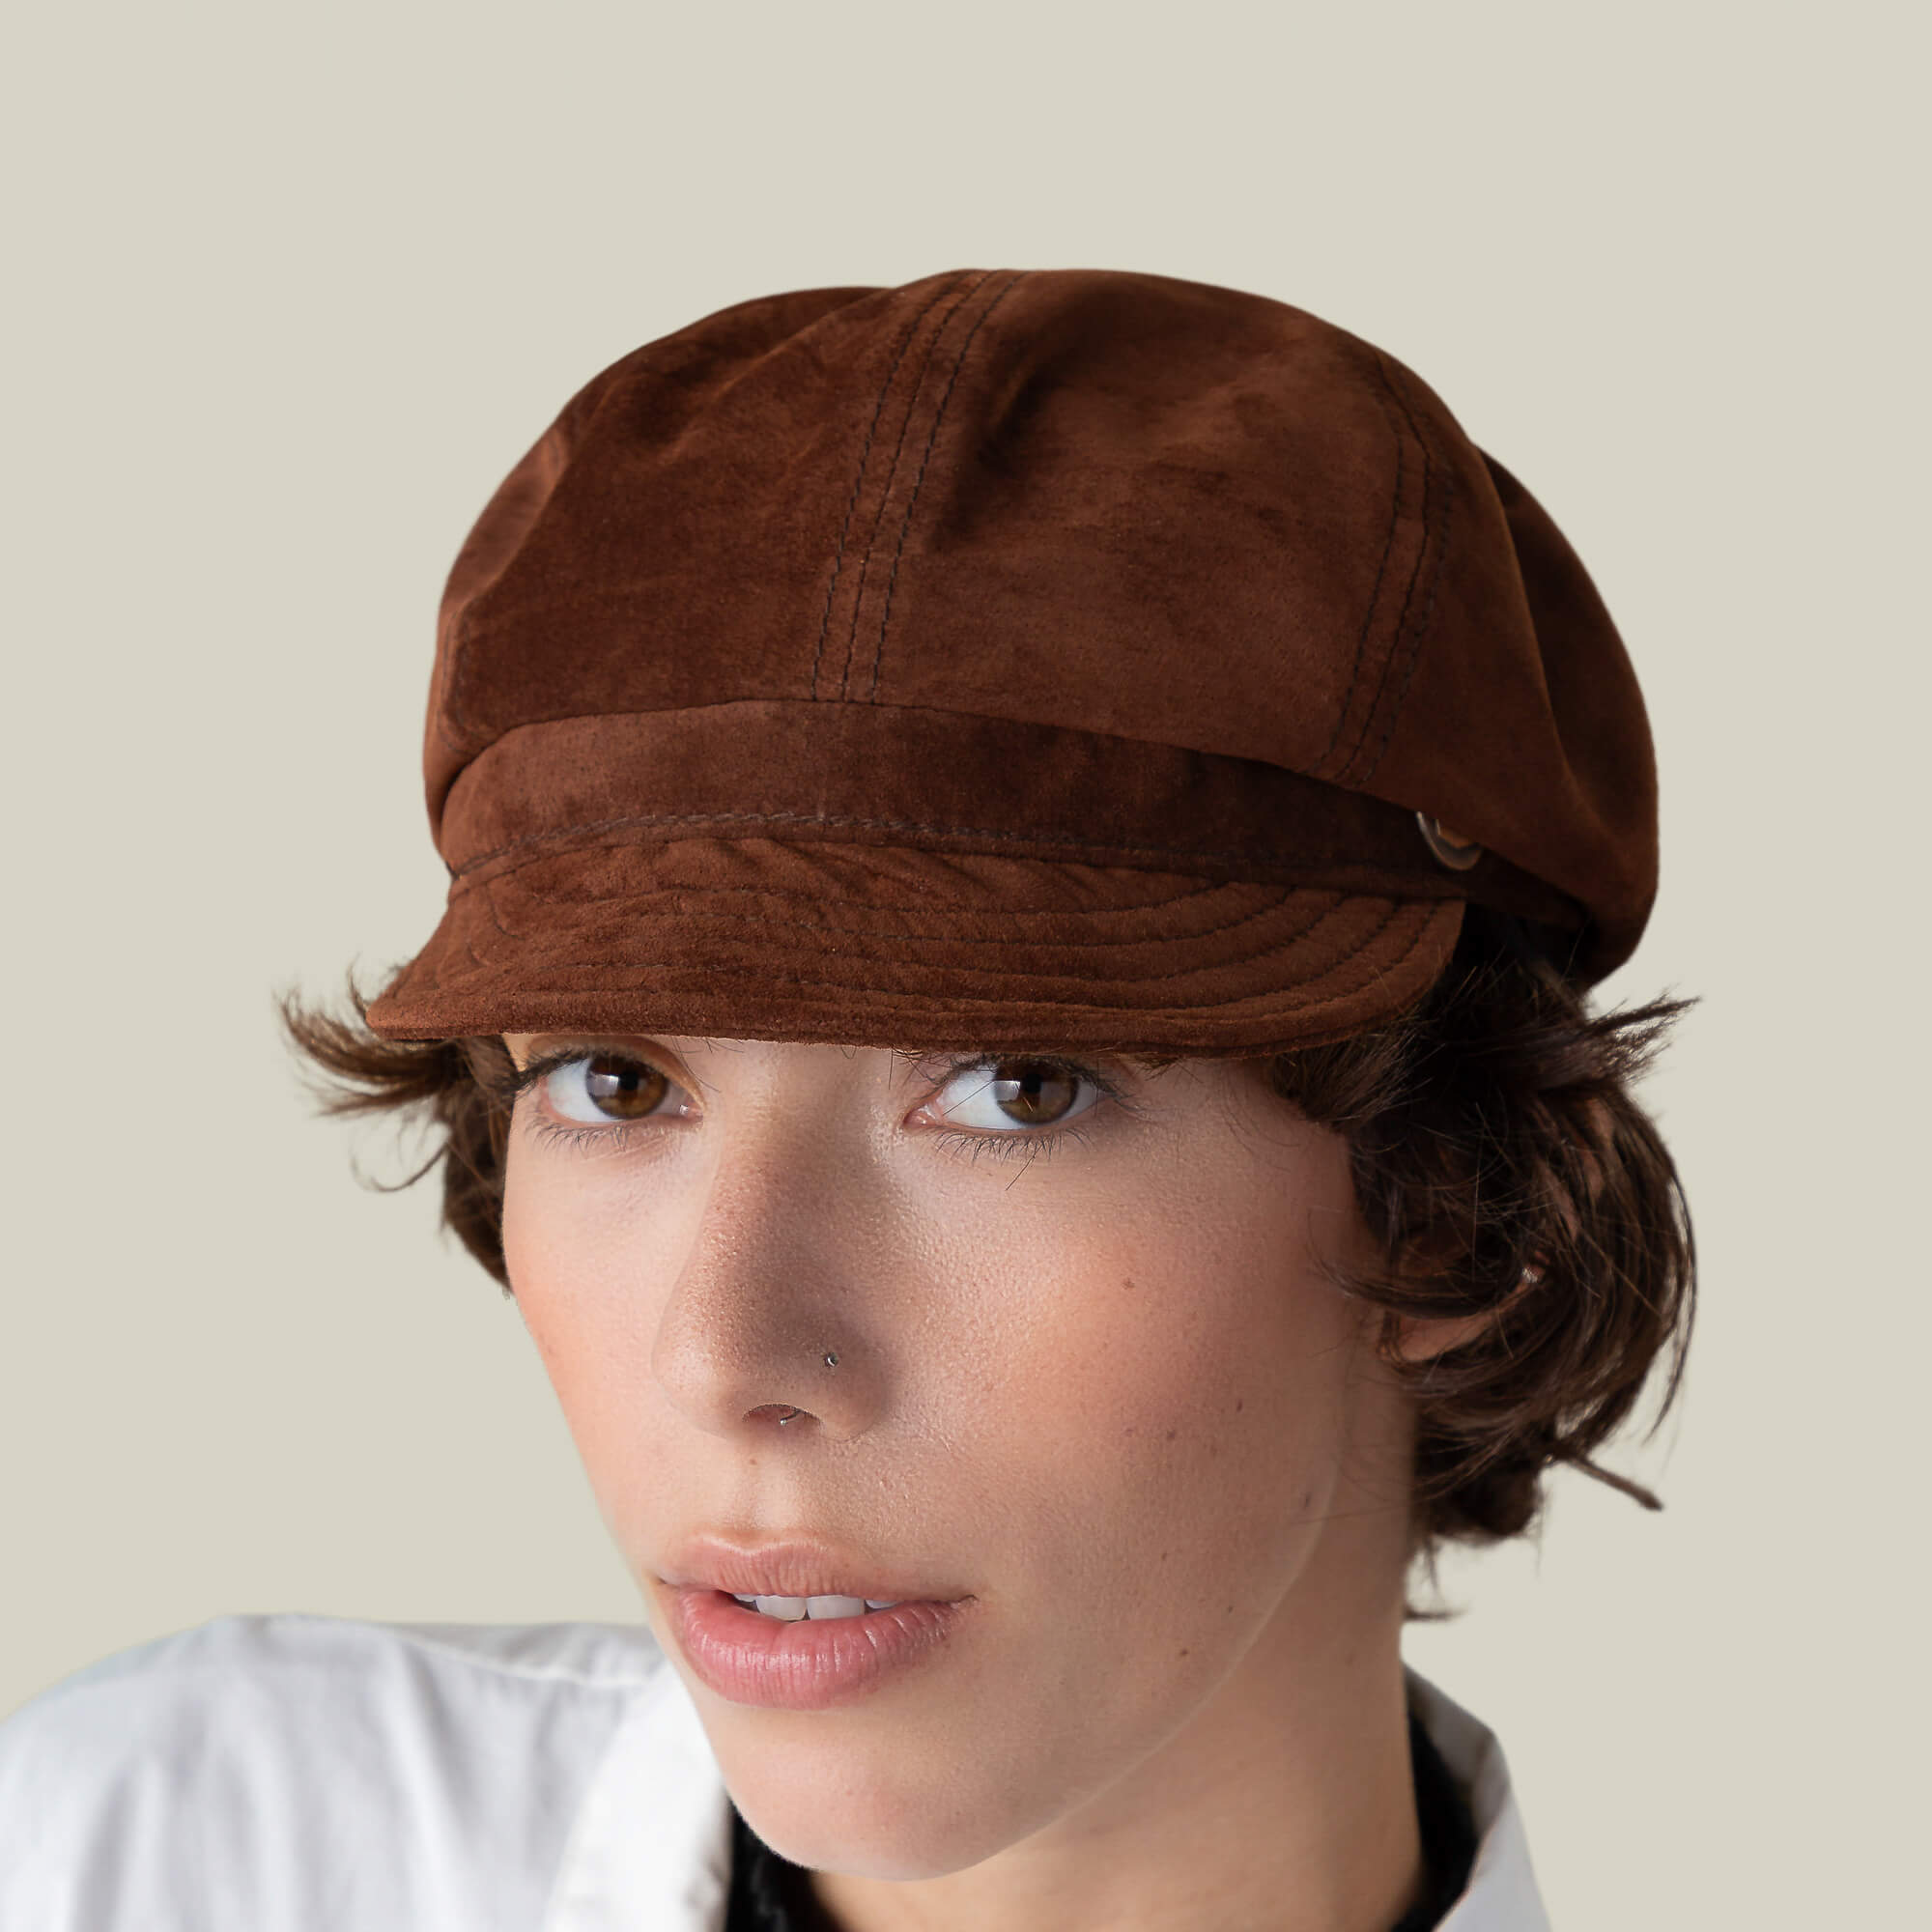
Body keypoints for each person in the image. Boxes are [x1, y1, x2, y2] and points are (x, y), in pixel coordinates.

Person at [0, 267, 1695, 1931]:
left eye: (1020, 1090)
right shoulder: (139, 1861)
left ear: (1461, 1210)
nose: (725, 1356)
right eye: (620, 1081)